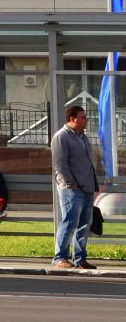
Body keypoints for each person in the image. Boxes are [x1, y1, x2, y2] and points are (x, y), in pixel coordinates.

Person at [51, 103, 100, 270]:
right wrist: (72, 185)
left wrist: (94, 184)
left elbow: (88, 163)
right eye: (83, 117)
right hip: (71, 189)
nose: (86, 120)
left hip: (87, 188)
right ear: (72, 119)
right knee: (70, 222)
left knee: (85, 225)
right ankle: (60, 257)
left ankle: (80, 259)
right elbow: (60, 164)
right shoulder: (61, 137)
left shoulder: (83, 137)